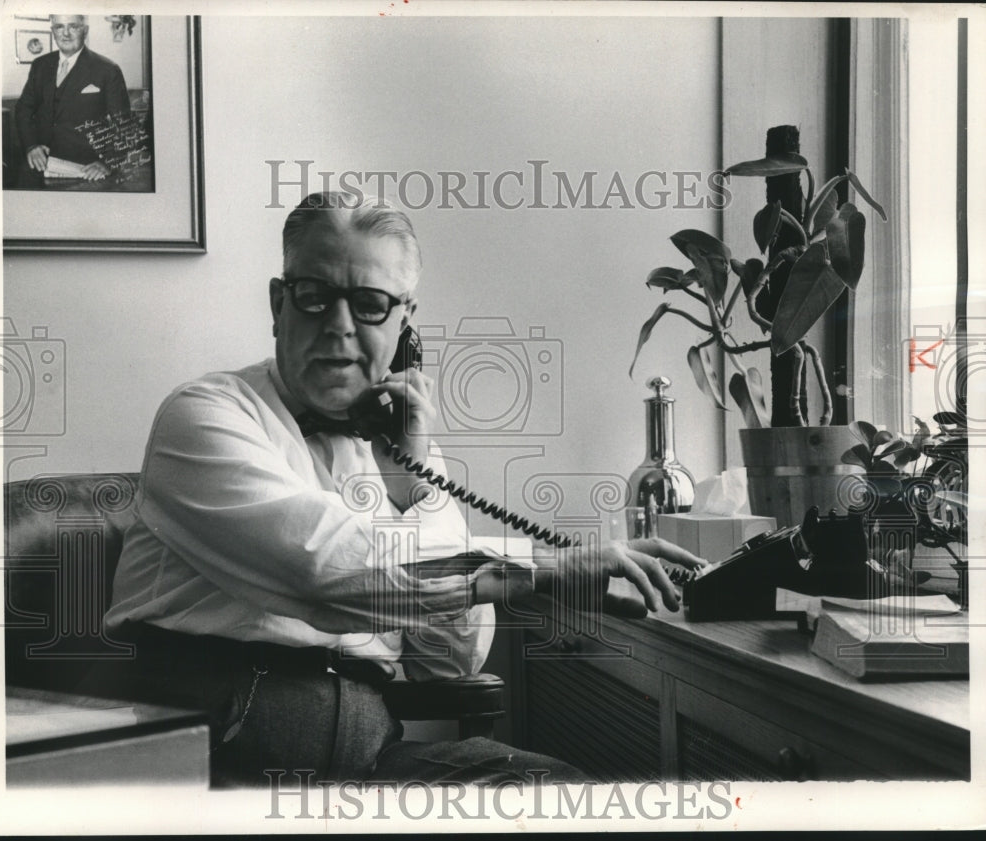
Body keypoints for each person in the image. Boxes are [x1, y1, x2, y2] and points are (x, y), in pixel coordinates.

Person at [94, 191, 706, 788]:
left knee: (563, 797)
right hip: (214, 771)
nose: (338, 326)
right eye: (314, 296)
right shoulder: (202, 417)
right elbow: (328, 567)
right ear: (279, 303)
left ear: (404, 323)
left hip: (366, 768)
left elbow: (448, 663)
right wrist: (540, 568)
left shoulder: (399, 456)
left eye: (369, 303)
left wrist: (417, 488)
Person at [13, 14, 131, 183]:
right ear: (53, 31)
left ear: (85, 30)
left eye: (73, 26)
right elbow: (23, 109)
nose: (65, 33)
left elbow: (124, 124)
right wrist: (31, 146)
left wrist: (108, 163)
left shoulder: (107, 70)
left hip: (85, 169)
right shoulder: (40, 65)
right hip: (39, 165)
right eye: (59, 27)